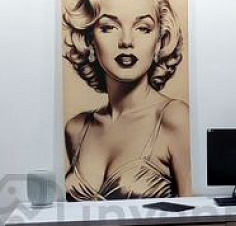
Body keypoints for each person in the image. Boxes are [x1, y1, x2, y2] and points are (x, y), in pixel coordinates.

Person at [63, 0, 192, 201]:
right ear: (90, 40)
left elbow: (196, 213)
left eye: (143, 28)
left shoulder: (175, 119)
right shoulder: (76, 129)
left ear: (159, 42)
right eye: (109, 27)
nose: (126, 41)